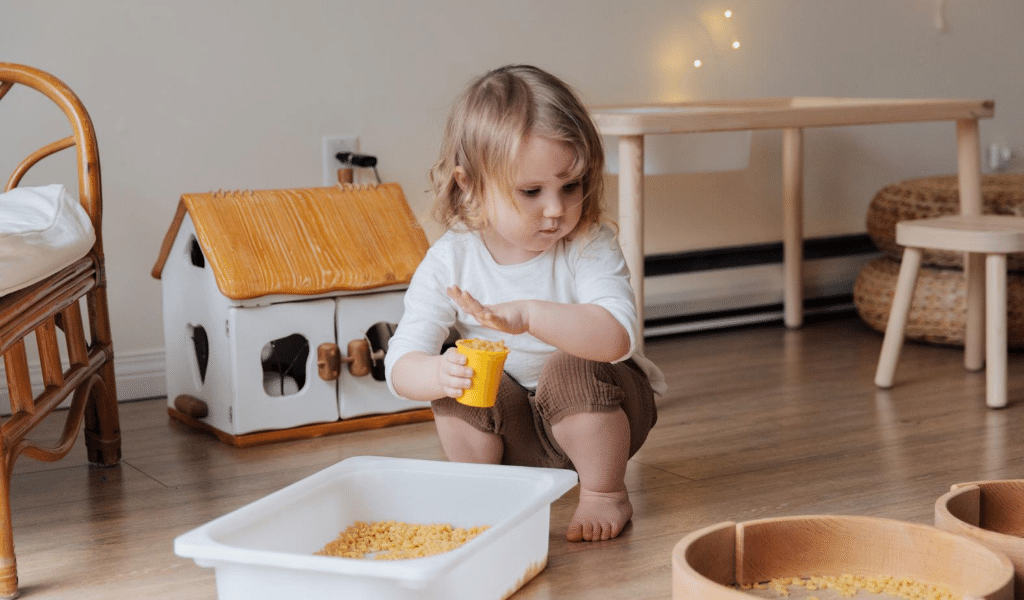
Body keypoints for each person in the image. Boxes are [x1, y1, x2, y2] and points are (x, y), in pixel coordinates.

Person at [384, 64, 665, 542]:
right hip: (514, 433)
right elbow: (399, 362)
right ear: (470, 184)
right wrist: (437, 373)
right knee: (462, 377)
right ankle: (487, 492)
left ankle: (604, 493)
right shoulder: (451, 258)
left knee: (568, 367)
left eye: (570, 186)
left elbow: (616, 337)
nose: (556, 209)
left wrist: (530, 315)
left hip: (602, 417)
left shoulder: (587, 244)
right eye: (531, 192)